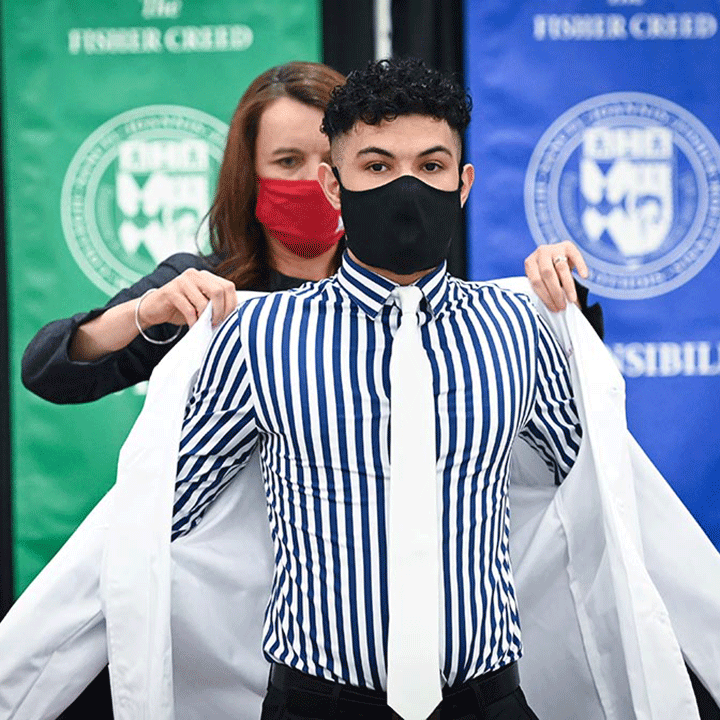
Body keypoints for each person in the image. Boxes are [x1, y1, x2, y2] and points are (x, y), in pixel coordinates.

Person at [18, 60, 596, 720]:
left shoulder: (477, 317)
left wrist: (567, 314)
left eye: (425, 166)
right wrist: (146, 314)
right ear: (331, 183)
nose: (401, 188)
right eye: (285, 160)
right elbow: (60, 381)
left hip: (467, 672)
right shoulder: (226, 311)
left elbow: (584, 472)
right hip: (283, 657)